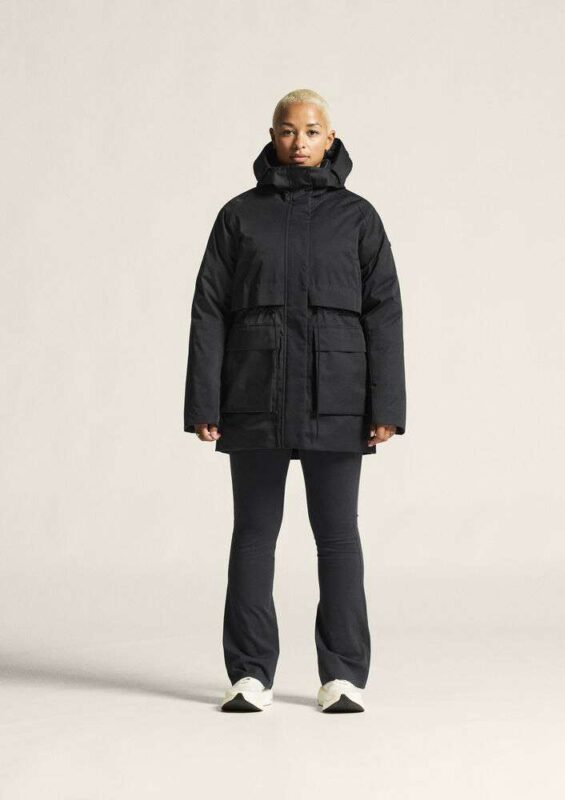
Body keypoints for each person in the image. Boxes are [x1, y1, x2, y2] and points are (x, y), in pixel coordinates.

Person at [184, 88, 406, 713]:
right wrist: (205, 400)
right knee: (254, 535)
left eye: (311, 131)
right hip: (254, 395)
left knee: (337, 537)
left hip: (339, 397)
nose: (299, 141)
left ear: (330, 138)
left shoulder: (359, 218)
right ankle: (249, 675)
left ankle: (343, 676)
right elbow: (209, 309)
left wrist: (386, 405)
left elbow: (384, 312)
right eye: (288, 130)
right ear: (272, 136)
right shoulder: (239, 216)